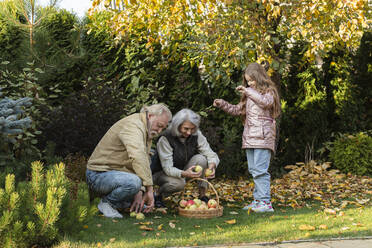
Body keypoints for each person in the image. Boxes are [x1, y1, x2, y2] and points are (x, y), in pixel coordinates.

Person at [213, 62, 281, 213]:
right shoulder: (249, 94)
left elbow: (265, 103)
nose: (250, 83)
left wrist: (248, 91)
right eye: (248, 81)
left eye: (252, 80)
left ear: (259, 77)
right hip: (249, 136)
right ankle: (258, 200)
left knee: (260, 170)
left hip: (263, 136)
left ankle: (265, 202)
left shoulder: (269, 92)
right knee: (253, 169)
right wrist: (222, 104)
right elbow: (238, 110)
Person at [86, 103, 172, 218]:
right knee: (133, 183)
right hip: (98, 175)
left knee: (135, 185)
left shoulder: (145, 128)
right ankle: (107, 203)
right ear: (150, 116)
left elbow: (141, 162)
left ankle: (123, 203)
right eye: (159, 125)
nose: (160, 130)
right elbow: (138, 157)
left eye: (163, 128)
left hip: (115, 175)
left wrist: (140, 191)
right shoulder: (133, 125)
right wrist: (149, 189)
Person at [151, 108, 220, 208]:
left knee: (201, 159)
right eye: (186, 128)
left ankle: (202, 195)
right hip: (162, 173)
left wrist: (212, 166)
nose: (189, 133)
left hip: (183, 170)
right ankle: (157, 194)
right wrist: (185, 173)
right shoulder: (165, 138)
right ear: (177, 126)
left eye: (192, 129)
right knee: (179, 183)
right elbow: (168, 168)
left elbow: (210, 154)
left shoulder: (196, 134)